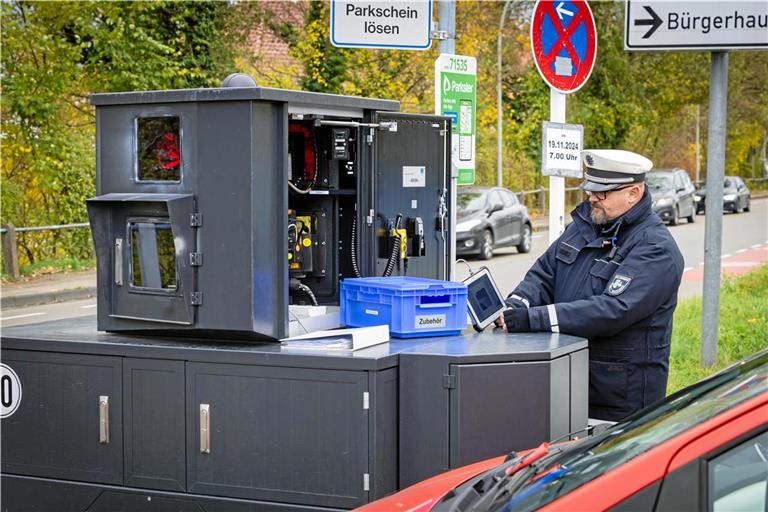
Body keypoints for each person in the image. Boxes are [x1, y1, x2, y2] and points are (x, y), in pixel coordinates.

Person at [497, 149, 684, 421]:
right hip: (569, 380)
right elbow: (545, 273)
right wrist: (517, 304)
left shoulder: (655, 248)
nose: (592, 198)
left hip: (619, 398)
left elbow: (613, 309)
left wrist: (533, 319)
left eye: (602, 193)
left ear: (633, 193)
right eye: (590, 189)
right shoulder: (587, 224)